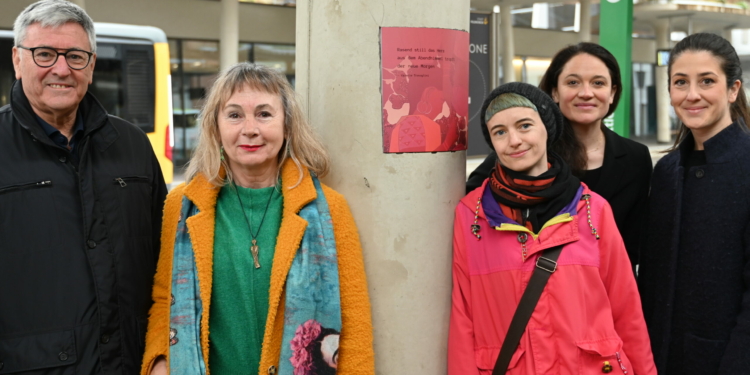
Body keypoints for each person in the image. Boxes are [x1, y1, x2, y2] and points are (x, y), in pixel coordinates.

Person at [141, 62, 375, 375]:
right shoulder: (181, 206)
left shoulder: (329, 210)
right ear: (215, 127)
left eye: (264, 114)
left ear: (287, 126)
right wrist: (159, 360)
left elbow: (355, 323)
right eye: (235, 115)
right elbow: (164, 299)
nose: (249, 129)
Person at [0, 1, 168, 374]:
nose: (61, 69)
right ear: (17, 60)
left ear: (91, 66)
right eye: (44, 54)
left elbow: (168, 262)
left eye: (75, 56)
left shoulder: (133, 145)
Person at [449, 82, 655, 374]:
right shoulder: (472, 216)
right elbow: (462, 317)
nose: (514, 140)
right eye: (500, 132)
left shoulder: (593, 209)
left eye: (524, 126)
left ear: (547, 127)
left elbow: (626, 310)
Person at [466, 43, 652, 269]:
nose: (586, 93)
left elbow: (632, 245)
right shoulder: (527, 150)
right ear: (554, 92)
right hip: (537, 290)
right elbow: (473, 212)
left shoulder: (636, 157)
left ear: (612, 93)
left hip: (605, 291)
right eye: (573, 82)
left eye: (598, 83)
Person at [638, 33, 750, 374]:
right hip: (660, 357)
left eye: (707, 81)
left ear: (733, 90)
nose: (692, 95)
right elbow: (652, 278)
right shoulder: (667, 170)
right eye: (680, 82)